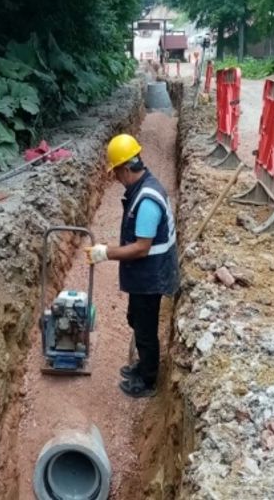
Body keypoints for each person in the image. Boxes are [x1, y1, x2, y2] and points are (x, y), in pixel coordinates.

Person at [84, 134, 179, 398]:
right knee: (135, 319)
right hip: (145, 275)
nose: (115, 177)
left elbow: (141, 247)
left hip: (152, 277)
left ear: (126, 168)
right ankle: (142, 367)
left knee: (146, 331)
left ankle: (147, 381)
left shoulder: (147, 200)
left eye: (115, 171)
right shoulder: (141, 189)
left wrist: (105, 253)